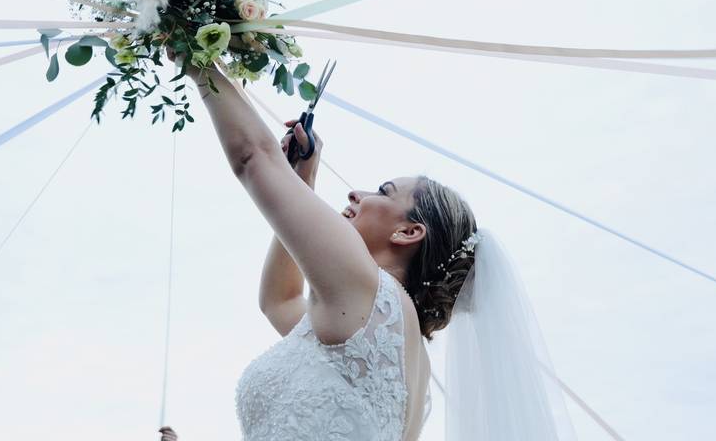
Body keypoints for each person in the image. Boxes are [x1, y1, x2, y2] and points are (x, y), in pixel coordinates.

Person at [165, 48, 574, 440]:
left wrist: (198, 60)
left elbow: (254, 157)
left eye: (383, 190)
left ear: (408, 232)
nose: (355, 194)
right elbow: (280, 302)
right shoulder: (399, 353)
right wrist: (303, 179)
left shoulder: (369, 291)